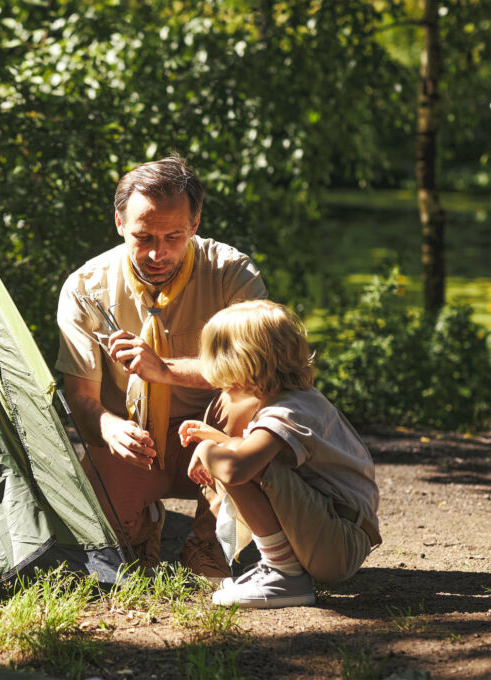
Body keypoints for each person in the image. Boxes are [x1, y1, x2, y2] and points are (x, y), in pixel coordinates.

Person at [56, 156, 267, 579]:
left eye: (173, 236)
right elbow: (80, 399)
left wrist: (165, 370)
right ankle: (144, 524)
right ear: (119, 223)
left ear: (195, 223)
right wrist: (109, 428)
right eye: (144, 236)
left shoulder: (231, 273)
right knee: (98, 550)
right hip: (136, 440)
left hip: (216, 434)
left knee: (253, 400)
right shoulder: (85, 288)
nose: (158, 252)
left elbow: (259, 371)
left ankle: (209, 543)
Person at [179, 300, 381, 608]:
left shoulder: (288, 411)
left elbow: (237, 469)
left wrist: (209, 449)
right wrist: (214, 439)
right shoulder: (294, 401)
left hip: (339, 542)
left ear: (244, 361)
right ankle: (282, 568)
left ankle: (283, 573)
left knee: (234, 463)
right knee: (234, 455)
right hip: (337, 532)